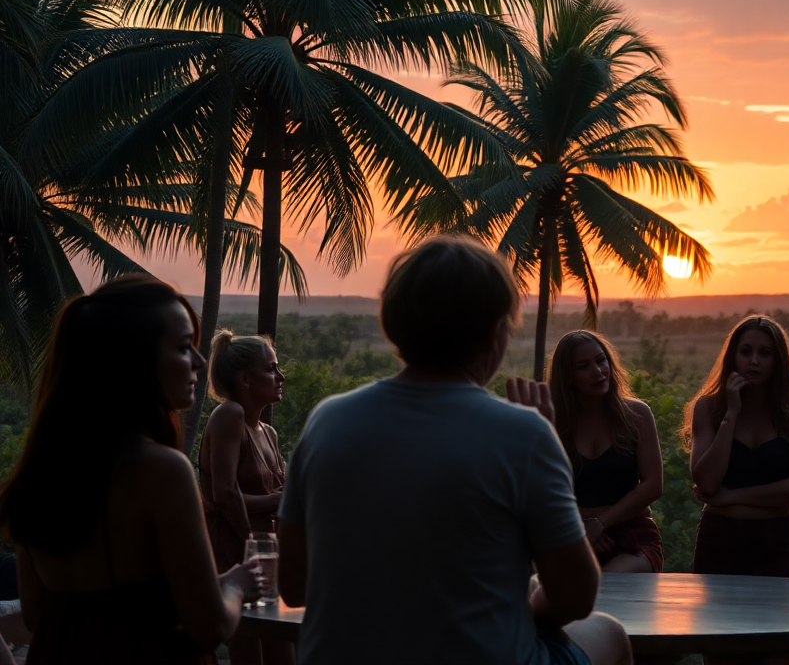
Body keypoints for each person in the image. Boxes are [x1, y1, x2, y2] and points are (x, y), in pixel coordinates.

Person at [276, 236, 630, 665]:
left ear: (395, 325)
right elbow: (576, 597)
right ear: (494, 333)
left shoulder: (326, 421)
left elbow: (293, 586)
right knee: (608, 634)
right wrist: (529, 603)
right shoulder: (524, 434)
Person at [0, 275, 261, 664]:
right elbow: (209, 627)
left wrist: (210, 587)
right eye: (182, 347)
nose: (200, 361)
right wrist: (237, 586)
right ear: (135, 361)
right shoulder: (161, 470)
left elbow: (40, 615)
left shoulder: (42, 471)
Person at [683, 316, 789, 665]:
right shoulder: (709, 408)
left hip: (778, 542)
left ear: (779, 360)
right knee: (720, 652)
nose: (754, 361)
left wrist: (734, 496)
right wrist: (731, 414)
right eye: (746, 352)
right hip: (720, 542)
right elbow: (707, 481)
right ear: (733, 356)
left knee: (780, 653)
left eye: (765, 353)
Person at [199, 331, 291, 665]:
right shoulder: (229, 415)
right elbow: (224, 494)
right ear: (246, 379)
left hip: (264, 552)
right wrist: (256, 540)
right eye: (272, 369)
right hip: (235, 548)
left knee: (282, 647)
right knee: (249, 650)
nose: (280, 377)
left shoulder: (268, 432)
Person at [547, 331, 664, 573]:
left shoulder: (637, 415)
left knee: (608, 582)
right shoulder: (553, 423)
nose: (598, 371)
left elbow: (653, 485)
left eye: (601, 361)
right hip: (572, 535)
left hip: (634, 536)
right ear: (568, 377)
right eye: (583, 366)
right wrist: (581, 527)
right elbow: (541, 492)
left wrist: (600, 523)